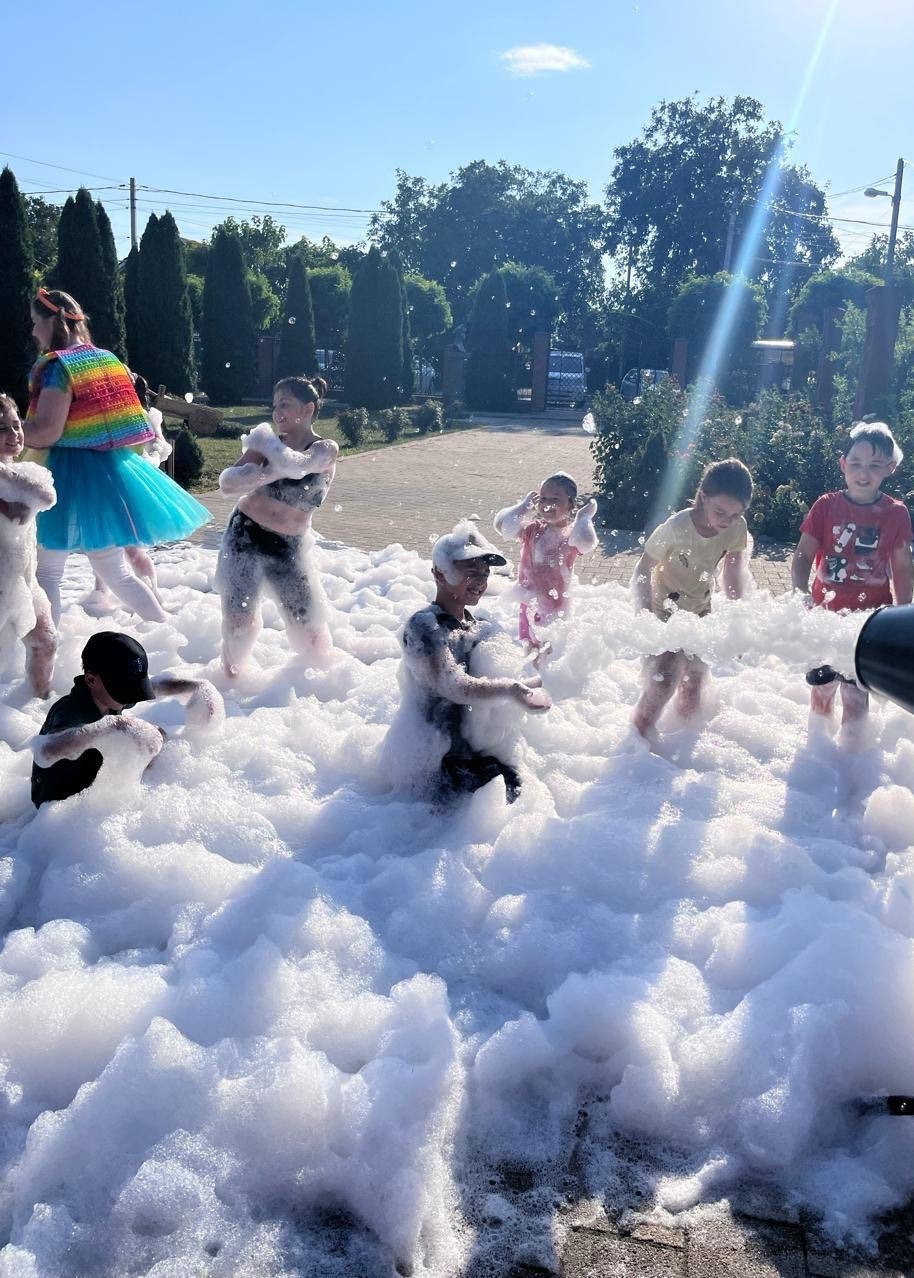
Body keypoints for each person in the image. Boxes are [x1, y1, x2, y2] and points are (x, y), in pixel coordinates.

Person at [23, 287, 210, 625]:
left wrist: (10, 431)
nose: (33, 331)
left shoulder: (58, 367)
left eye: (36, 322)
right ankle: (166, 630)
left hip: (64, 474)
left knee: (47, 573)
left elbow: (46, 431)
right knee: (116, 572)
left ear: (54, 322)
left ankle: (46, 648)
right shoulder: (108, 360)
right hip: (108, 473)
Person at [390, 520, 551, 805]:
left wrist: (546, 677)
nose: (480, 581)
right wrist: (513, 690)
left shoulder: (480, 626)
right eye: (471, 572)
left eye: (485, 574)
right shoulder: (424, 626)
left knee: (527, 799)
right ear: (440, 573)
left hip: (473, 750)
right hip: (433, 762)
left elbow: (498, 680)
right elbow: (452, 685)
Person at [791, 422, 913, 733]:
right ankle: (818, 746)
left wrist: (903, 613)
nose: (863, 473)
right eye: (856, 463)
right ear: (843, 464)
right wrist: (799, 592)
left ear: (890, 467)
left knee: (856, 695)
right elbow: (803, 555)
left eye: (874, 465)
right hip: (824, 615)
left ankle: (851, 752)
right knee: (822, 689)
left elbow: (901, 567)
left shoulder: (895, 513)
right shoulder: (826, 506)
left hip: (867, 621)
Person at [215, 375, 338, 677]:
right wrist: (262, 466)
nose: (277, 412)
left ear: (307, 409)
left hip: (288, 548)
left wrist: (267, 464)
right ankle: (229, 683)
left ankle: (325, 683)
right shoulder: (266, 444)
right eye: (274, 406)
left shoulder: (325, 448)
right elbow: (227, 484)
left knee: (310, 629)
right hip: (245, 535)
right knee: (239, 621)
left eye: (285, 404)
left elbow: (298, 465)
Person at [631, 458, 753, 739]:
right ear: (703, 497)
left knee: (694, 681)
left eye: (735, 515)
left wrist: (737, 621)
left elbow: (732, 572)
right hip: (664, 613)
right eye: (720, 512)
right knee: (663, 681)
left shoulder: (736, 528)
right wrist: (646, 616)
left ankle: (683, 739)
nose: (727, 521)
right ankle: (639, 736)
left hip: (700, 611)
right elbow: (643, 567)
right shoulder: (676, 527)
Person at [30, 631, 223, 807]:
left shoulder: (109, 696)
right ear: (91, 679)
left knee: (157, 737)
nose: (129, 697)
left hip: (91, 778)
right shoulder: (71, 710)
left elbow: (157, 686)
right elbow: (45, 752)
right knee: (125, 742)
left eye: (134, 688)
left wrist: (197, 687)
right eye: (124, 690)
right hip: (53, 798)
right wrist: (114, 725)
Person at [493, 472, 598, 653]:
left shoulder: (570, 536)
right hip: (528, 605)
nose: (547, 504)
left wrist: (583, 518)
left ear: (570, 504)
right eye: (543, 498)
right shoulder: (533, 529)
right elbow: (501, 526)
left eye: (555, 499)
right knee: (530, 651)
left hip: (556, 611)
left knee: (551, 654)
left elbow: (587, 542)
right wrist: (523, 507)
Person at [0, 393, 57, 697]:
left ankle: (39, 705)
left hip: (21, 581)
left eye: (16, 425)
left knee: (46, 641)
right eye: (2, 429)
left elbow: (47, 497)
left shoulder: (20, 473)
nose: (14, 434)